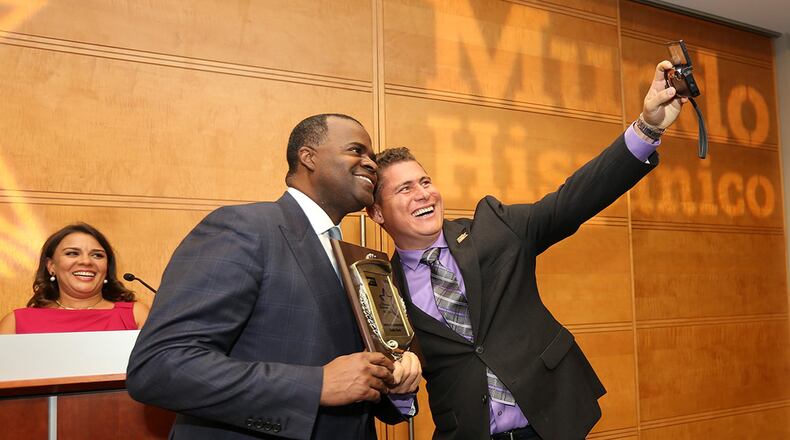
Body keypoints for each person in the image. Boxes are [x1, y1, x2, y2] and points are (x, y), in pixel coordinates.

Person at [366, 62, 686, 440]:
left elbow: (574, 200)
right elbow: (390, 401)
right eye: (404, 189)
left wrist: (648, 128)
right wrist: (398, 389)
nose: (423, 194)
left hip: (553, 423)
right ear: (376, 213)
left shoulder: (494, 227)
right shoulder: (381, 290)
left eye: (425, 181)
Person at [126, 114, 421, 440]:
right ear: (308, 157)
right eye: (357, 150)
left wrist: (395, 383)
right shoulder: (243, 228)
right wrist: (316, 385)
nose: (370, 164)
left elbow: (354, 379)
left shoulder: (355, 259)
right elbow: (160, 367)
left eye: (371, 156)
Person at [0, 222, 149, 334]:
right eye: (72, 253)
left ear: (107, 267)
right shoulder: (16, 323)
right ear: (51, 266)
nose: (86, 261)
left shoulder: (135, 315)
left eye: (97, 255)